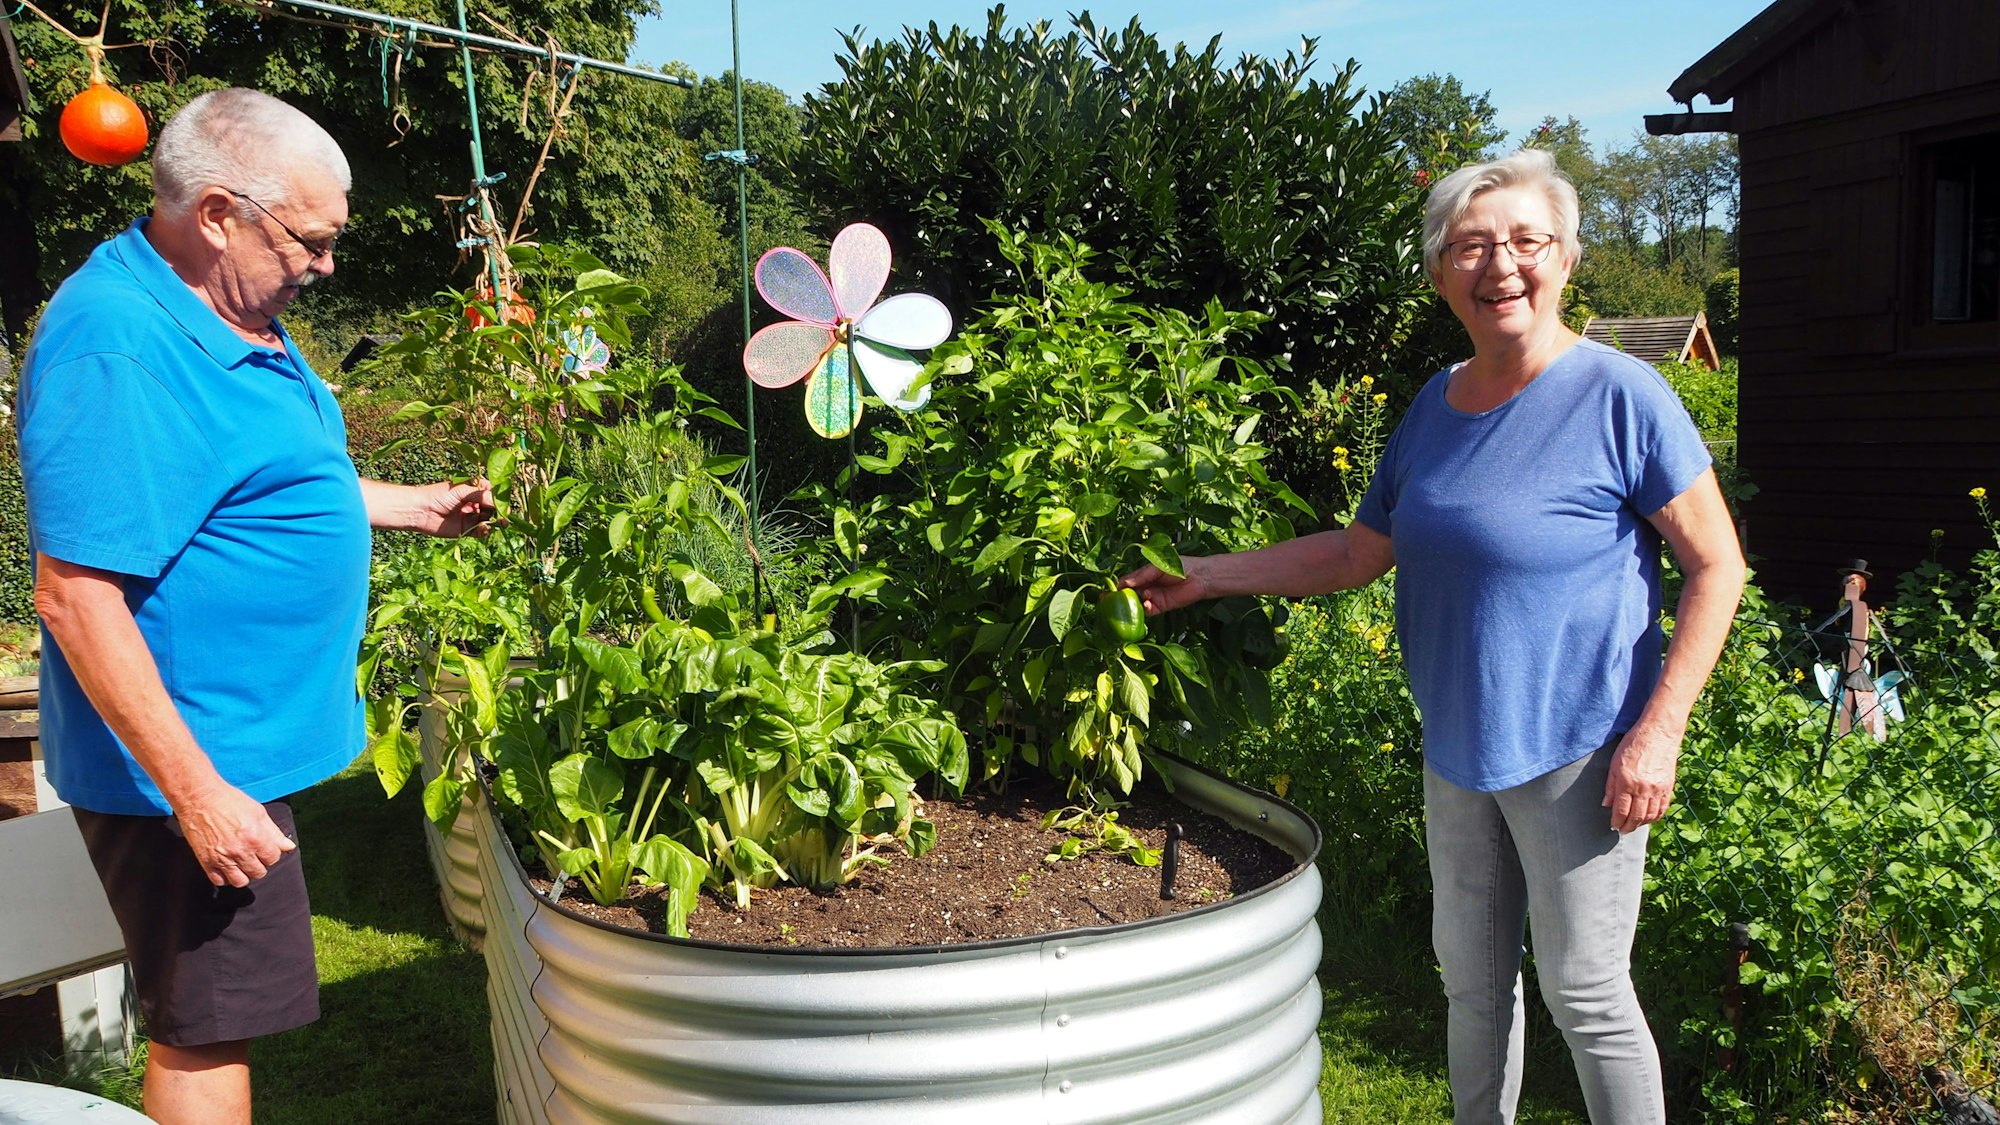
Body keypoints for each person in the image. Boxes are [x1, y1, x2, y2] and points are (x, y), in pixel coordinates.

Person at [1122, 148, 1745, 1124]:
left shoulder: (1622, 396)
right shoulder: (1434, 405)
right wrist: (1203, 576)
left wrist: (1657, 731)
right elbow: (1355, 554)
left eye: (1525, 241)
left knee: (1583, 994)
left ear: (1566, 258)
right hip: (1456, 749)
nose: (1501, 266)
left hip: (1580, 748)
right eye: (1471, 246)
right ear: (1438, 272)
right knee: (1469, 983)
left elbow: (1717, 565)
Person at [16, 88, 491, 1125]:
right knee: (205, 1029)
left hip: (230, 744)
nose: (325, 264)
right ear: (220, 212)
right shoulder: (120, 348)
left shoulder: (219, 302)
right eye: (311, 240)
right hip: (193, 757)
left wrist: (409, 506)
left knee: (220, 1013)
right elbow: (75, 597)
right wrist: (197, 796)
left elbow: (253, 483)